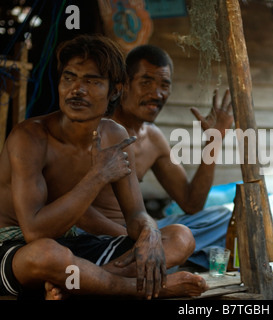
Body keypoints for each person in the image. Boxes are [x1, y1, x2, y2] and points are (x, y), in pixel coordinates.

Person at [0, 34, 207, 299]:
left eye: (92, 81)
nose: (77, 89)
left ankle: (77, 285)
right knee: (47, 254)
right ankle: (131, 288)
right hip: (15, 247)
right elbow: (34, 232)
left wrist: (150, 233)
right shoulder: (29, 137)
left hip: (75, 248)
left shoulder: (116, 135)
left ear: (115, 90)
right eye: (69, 77)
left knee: (181, 236)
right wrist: (97, 175)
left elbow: (136, 215)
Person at [75, 44, 234, 270]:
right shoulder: (98, 132)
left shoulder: (152, 137)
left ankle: (163, 259)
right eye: (146, 82)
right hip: (100, 237)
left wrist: (214, 141)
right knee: (175, 240)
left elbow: (191, 203)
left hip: (142, 232)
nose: (157, 94)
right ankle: (165, 260)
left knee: (224, 218)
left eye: (164, 85)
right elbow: (78, 211)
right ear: (123, 86)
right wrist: (141, 238)